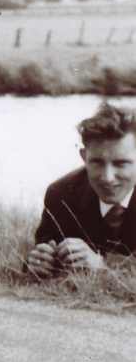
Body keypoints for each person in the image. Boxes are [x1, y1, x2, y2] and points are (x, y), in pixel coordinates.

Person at [27, 102, 136, 277]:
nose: (108, 177)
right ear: (84, 157)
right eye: (97, 162)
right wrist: (41, 262)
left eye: (121, 163)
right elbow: (43, 249)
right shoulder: (61, 194)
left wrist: (102, 264)